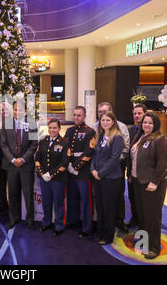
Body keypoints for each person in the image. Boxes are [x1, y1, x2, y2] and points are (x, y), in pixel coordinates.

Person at [127, 112, 167, 260]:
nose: (147, 125)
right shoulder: (140, 137)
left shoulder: (160, 139)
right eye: (145, 122)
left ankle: (153, 247)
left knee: (152, 216)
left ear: (156, 124)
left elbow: (162, 164)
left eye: (150, 123)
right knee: (141, 214)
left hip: (152, 184)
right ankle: (143, 241)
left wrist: (154, 182)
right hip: (138, 181)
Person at [0, 101, 38, 230]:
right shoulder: (7, 124)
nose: (17, 112)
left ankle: (29, 219)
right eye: (15, 110)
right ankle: (13, 218)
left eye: (20, 110)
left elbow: (34, 144)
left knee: (28, 194)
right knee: (12, 193)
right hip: (11, 166)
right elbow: (3, 145)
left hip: (26, 165)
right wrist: (12, 160)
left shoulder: (32, 123)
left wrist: (22, 159)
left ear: (25, 111)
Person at [94, 102, 129, 233]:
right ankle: (101, 229)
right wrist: (94, 170)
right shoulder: (98, 130)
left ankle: (113, 227)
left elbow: (119, 154)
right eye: (100, 114)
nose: (103, 118)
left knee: (113, 202)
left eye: (106, 115)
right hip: (99, 173)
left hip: (112, 172)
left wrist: (103, 170)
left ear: (112, 118)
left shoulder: (119, 132)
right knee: (101, 204)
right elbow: (94, 152)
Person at [64, 106, 96, 238]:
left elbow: (88, 153)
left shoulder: (90, 132)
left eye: (79, 115)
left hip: (83, 173)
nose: (76, 117)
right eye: (75, 115)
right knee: (72, 199)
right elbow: (65, 148)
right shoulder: (70, 130)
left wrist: (75, 167)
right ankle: (72, 221)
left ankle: (86, 227)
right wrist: (68, 165)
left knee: (86, 200)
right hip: (70, 171)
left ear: (84, 116)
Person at [35, 118, 69, 236]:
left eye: (55, 128)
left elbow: (64, 163)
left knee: (58, 203)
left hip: (58, 179)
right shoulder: (43, 141)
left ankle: (59, 226)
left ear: (59, 129)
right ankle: (46, 222)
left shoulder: (64, 142)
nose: (52, 130)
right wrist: (43, 173)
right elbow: (37, 158)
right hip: (44, 178)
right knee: (46, 201)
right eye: (50, 127)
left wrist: (51, 174)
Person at [126, 103, 147, 227]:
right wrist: (128, 173)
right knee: (132, 197)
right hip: (132, 172)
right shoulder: (131, 130)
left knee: (143, 201)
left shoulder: (151, 132)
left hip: (144, 174)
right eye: (135, 114)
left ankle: (143, 223)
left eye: (139, 113)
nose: (137, 116)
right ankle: (134, 218)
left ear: (145, 114)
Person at [0, 101, 13, 215]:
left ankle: (13, 208)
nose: (3, 111)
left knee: (12, 185)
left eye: (5, 109)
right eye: (1, 109)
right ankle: (3, 208)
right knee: (1, 185)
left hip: (12, 160)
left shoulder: (14, 123)